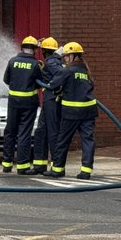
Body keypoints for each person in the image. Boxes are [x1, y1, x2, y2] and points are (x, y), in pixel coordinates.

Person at [47, 41, 98, 179]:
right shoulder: (85, 71)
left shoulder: (67, 71)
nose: (65, 59)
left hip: (71, 112)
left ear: (74, 56)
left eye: (67, 56)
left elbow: (53, 84)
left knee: (63, 140)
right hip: (89, 111)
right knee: (88, 141)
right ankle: (86, 171)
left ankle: (57, 169)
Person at [2, 35, 41, 175]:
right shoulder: (36, 64)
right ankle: (22, 166)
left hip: (13, 102)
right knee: (24, 133)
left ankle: (6, 164)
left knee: (10, 131)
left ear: (22, 47)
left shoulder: (12, 61)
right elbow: (40, 83)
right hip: (29, 103)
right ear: (35, 50)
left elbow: (6, 80)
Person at [28, 37, 63, 176]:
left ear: (45, 51)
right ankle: (39, 165)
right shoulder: (50, 61)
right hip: (48, 100)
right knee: (41, 131)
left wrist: (54, 85)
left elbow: (61, 73)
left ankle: (57, 166)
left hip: (52, 100)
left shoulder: (52, 61)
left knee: (53, 132)